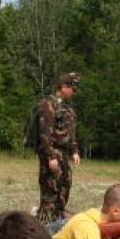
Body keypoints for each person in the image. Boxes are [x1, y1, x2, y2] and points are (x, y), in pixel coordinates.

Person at [36, 72, 81, 223]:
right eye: (72, 89)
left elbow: (71, 132)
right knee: (51, 189)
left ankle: (57, 218)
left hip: (63, 154)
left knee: (65, 186)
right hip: (52, 152)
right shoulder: (47, 104)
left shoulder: (67, 108)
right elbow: (45, 133)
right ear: (63, 87)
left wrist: (74, 151)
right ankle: (44, 221)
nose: (74, 92)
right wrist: (50, 157)